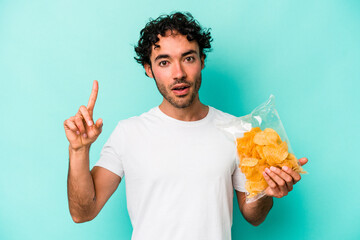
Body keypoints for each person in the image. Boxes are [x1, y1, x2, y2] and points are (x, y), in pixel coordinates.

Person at [64, 11, 308, 240]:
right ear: (149, 69)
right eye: (164, 62)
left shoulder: (237, 130)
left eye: (188, 58)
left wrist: (268, 191)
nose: (178, 73)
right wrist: (78, 150)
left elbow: (253, 216)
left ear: (201, 61)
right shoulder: (129, 133)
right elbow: (82, 213)